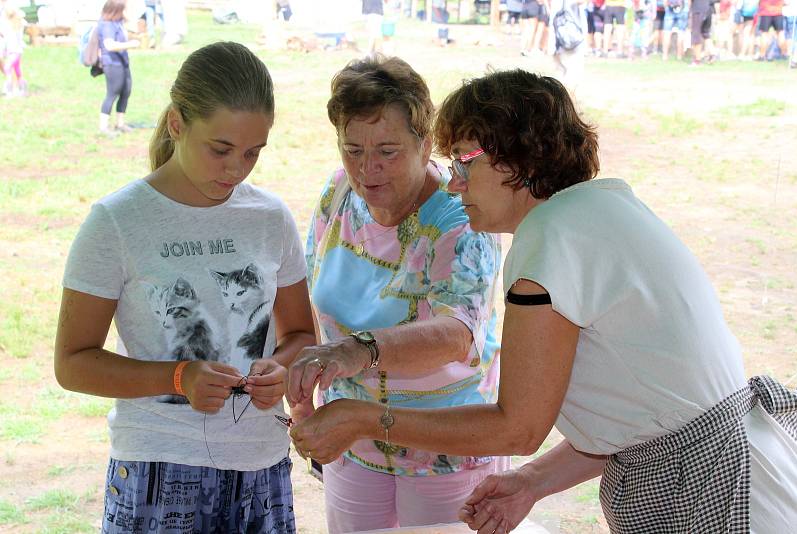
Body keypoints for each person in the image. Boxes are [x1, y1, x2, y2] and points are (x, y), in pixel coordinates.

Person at [290, 69, 797, 534]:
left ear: (519, 157)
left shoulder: (548, 243)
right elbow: (649, 422)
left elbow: (518, 428)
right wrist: (531, 483)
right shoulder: (599, 209)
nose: (455, 182)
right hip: (733, 476)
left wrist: (365, 417)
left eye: (466, 162)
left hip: (716, 495)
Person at [54, 41, 315, 533]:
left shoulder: (270, 217)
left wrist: (279, 370)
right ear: (177, 123)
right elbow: (72, 363)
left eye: (253, 153)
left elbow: (301, 334)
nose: (237, 169)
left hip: (260, 464)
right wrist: (178, 378)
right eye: (220, 149)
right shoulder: (117, 222)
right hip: (158, 464)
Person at [285, 55, 505, 533]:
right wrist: (301, 389)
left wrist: (353, 352)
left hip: (446, 449)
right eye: (352, 149)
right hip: (351, 439)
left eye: (387, 151)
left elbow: (457, 333)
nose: (368, 169)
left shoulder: (459, 215)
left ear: (425, 146)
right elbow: (309, 289)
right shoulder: (339, 193)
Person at [95, 0, 139, 136]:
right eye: (124, 8)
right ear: (116, 9)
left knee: (126, 91)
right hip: (112, 64)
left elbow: (132, 27)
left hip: (122, 63)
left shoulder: (117, 22)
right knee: (112, 94)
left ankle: (120, 124)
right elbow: (109, 45)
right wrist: (130, 44)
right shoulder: (107, 25)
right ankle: (103, 127)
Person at [0, 5, 25, 97]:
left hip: (16, 51)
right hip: (12, 51)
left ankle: (11, 90)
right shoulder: (9, 26)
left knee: (7, 68)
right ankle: (21, 88)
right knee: (17, 70)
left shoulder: (16, 26)